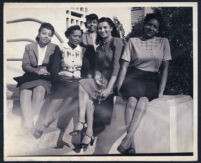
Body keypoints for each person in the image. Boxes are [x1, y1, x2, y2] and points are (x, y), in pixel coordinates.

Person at [116, 13, 172, 154]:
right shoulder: (132, 41)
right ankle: (131, 145)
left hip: (151, 79)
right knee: (131, 101)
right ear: (144, 25)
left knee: (143, 100)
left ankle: (128, 139)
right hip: (133, 76)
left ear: (158, 30)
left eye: (155, 27)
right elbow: (123, 67)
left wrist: (161, 90)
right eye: (149, 24)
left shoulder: (163, 42)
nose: (151, 28)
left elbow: (165, 69)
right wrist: (119, 87)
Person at [70, 17, 124, 150]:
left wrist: (109, 88)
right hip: (103, 81)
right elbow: (98, 68)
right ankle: (83, 123)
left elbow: (117, 67)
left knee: (89, 96)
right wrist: (97, 77)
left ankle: (88, 130)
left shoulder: (117, 42)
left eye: (105, 27)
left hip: (114, 81)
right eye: (100, 28)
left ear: (111, 28)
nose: (102, 30)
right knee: (83, 84)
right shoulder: (100, 47)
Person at [33, 25, 87, 140]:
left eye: (79, 36)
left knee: (73, 96)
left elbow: (86, 67)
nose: (77, 38)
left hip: (76, 80)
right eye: (74, 36)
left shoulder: (81, 50)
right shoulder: (61, 47)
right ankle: (45, 122)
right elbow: (55, 67)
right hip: (62, 79)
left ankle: (46, 122)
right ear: (68, 36)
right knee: (60, 95)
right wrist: (56, 80)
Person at [13, 23, 56, 132]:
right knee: (25, 91)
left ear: (51, 37)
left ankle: (29, 120)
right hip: (30, 74)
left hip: (46, 76)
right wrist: (37, 70)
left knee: (40, 89)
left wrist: (47, 71)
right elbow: (25, 65)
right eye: (44, 33)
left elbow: (56, 65)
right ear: (39, 33)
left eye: (49, 35)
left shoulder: (54, 48)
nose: (46, 36)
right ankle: (29, 123)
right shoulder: (29, 47)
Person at [81, 13, 98, 78]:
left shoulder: (100, 33)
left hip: (99, 59)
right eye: (89, 22)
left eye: (94, 22)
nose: (92, 24)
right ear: (86, 24)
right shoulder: (84, 34)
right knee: (89, 75)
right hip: (88, 59)